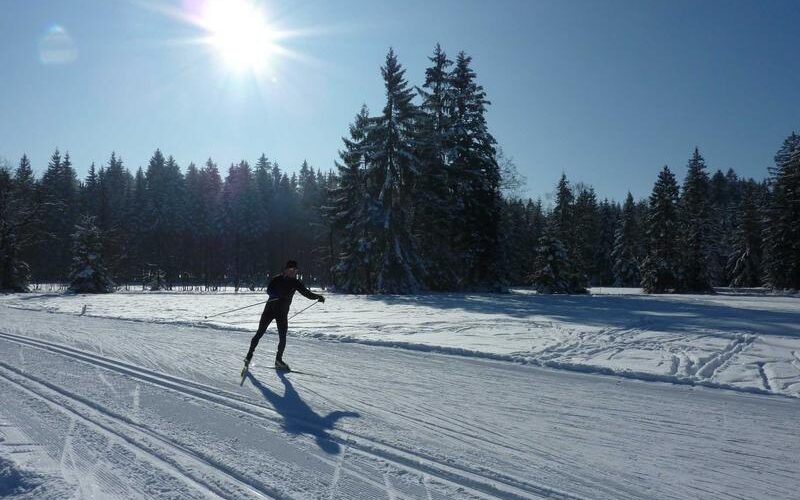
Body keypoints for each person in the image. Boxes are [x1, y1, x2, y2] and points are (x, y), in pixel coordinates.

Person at [244, 260, 325, 371]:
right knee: (260, 333)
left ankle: (278, 360)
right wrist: (278, 294)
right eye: (291, 270)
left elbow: (306, 293)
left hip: (282, 313)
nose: (293, 272)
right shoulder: (277, 279)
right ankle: (248, 356)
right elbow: (269, 290)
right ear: (286, 269)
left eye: (295, 270)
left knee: (282, 337)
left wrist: (317, 297)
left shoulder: (296, 283)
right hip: (269, 310)